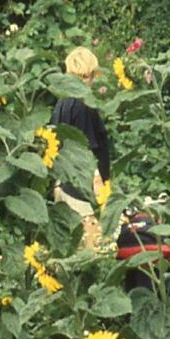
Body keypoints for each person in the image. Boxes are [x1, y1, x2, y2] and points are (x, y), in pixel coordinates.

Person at [50, 47, 114, 248]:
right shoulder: (83, 104)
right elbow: (87, 148)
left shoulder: (62, 101)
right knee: (91, 246)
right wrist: (98, 183)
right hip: (82, 187)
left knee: (69, 245)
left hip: (63, 182)